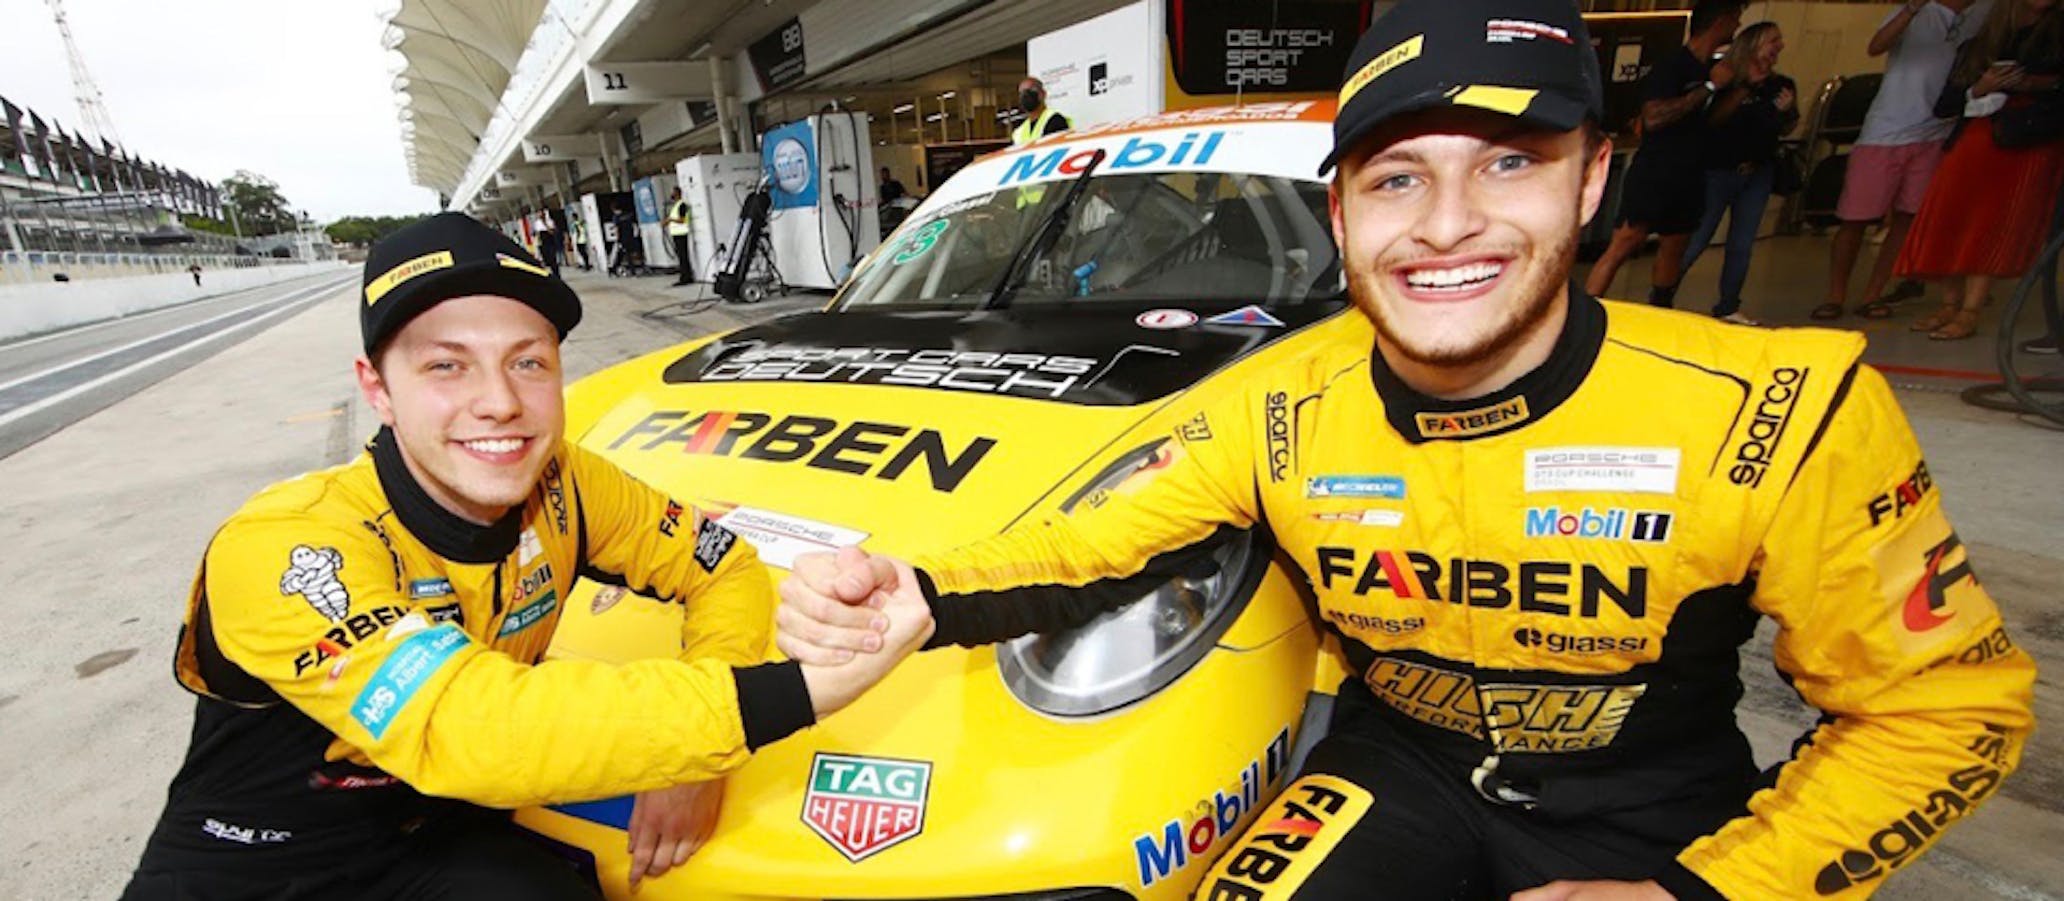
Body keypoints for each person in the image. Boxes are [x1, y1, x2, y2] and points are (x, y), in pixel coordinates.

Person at [777, 2, 2036, 898]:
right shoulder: (1272, 400)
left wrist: (1708, 892)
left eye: (1509, 163)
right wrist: (921, 592)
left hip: (1658, 809)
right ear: (1342, 214)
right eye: (1395, 179)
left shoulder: (1782, 407)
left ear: (1592, 181)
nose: (1446, 225)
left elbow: (1946, 709)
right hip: (1397, 771)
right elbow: (1091, 539)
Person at [119, 213, 929, 901]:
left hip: (441, 837)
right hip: (256, 862)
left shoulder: (568, 483)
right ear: (378, 388)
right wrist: (777, 698)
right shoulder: (285, 543)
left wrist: (693, 765)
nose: (500, 402)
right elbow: (471, 727)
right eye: (446, 365)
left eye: (528, 361)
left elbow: (724, 566)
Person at [1893, 0, 2063, 340]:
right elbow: (1946, 103)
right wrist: (1980, 88)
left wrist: (2032, 85)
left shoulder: (2056, 36)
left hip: (2023, 138)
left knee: (1989, 224)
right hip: (1973, 138)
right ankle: (1949, 304)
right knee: (1951, 217)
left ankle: (1970, 309)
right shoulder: (1980, 44)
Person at [1818, 0, 1993, 321]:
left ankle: (1873, 294)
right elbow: (1876, 46)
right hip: (1886, 130)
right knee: (1855, 218)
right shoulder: (1918, 9)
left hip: (1939, 130)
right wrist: (1910, 11)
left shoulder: (1986, 10)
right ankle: (1835, 295)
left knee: (1907, 218)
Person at [1584, 0, 1745, 308]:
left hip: (1690, 172)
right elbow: (1654, 117)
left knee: (1675, 245)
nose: (1737, 27)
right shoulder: (1674, 65)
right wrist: (1709, 87)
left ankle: (1661, 308)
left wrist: (1741, 87)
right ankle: (1587, 310)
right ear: (1720, 21)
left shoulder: (1714, 68)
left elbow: (1711, 120)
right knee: (1625, 242)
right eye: (1734, 18)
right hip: (1656, 171)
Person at [1680, 22, 1799, 325]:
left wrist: (1787, 112)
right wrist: (1746, 86)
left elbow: (1786, 128)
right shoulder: (1726, 79)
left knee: (1742, 244)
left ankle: (1728, 305)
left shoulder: (1782, 84)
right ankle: (1664, 291)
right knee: (1698, 238)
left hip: (1757, 173)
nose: (1778, 47)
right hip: (1719, 171)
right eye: (1772, 40)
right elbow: (1714, 120)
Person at [1010, 77, 1071, 147]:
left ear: (1043, 94)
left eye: (1030, 91)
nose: (1025, 95)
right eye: (1022, 93)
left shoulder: (1055, 120)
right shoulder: (1019, 132)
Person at [666, 187, 694, 285]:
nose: (671, 194)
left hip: (681, 233)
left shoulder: (682, 205)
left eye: (673, 192)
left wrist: (670, 220)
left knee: (683, 256)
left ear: (677, 193)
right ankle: (685, 275)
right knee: (681, 256)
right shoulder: (676, 205)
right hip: (676, 234)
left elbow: (682, 220)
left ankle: (686, 277)